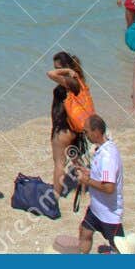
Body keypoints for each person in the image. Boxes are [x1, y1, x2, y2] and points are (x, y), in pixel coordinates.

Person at [75, 115, 123, 252]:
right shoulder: (102, 149)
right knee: (85, 232)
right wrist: (89, 172)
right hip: (96, 209)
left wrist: (87, 181)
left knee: (119, 248)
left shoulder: (108, 156)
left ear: (96, 132)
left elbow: (109, 187)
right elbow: (103, 175)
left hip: (109, 214)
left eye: (86, 131)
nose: (85, 135)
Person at [47, 51, 93, 189]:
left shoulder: (71, 82)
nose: (57, 70)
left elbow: (50, 74)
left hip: (62, 131)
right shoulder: (76, 82)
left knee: (59, 164)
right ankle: (86, 186)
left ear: (66, 67)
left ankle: (55, 196)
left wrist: (66, 70)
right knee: (76, 160)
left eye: (58, 67)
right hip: (72, 129)